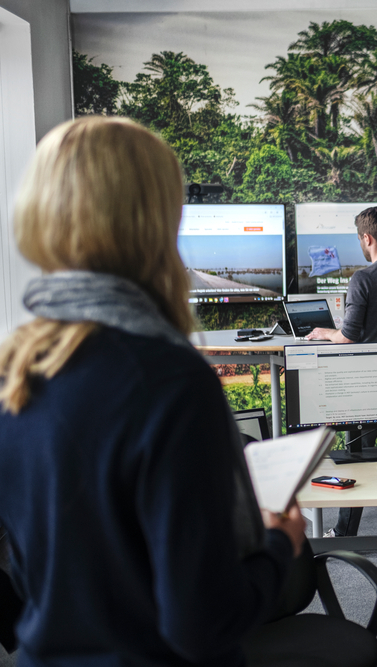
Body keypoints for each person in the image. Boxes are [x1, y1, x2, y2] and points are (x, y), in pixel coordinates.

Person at [0, 116, 306, 666]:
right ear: (156, 222)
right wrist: (280, 543)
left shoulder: (12, 369)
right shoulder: (168, 381)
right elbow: (202, 625)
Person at [305, 205, 377, 566]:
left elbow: (349, 337)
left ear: (367, 238)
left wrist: (326, 332)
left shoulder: (362, 278)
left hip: (365, 389)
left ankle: (346, 535)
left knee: (356, 459)